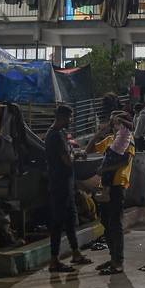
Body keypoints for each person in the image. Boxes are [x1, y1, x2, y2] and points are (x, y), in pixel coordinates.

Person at [44, 105, 93, 273]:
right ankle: (54, 260)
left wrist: (75, 153)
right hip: (59, 185)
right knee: (58, 222)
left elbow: (69, 153)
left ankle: (76, 253)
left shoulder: (61, 134)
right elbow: (67, 160)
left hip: (66, 183)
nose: (71, 121)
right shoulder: (54, 136)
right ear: (62, 117)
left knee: (71, 219)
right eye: (69, 118)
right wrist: (75, 156)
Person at [91, 111, 134, 275]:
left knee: (115, 225)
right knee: (106, 223)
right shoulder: (111, 140)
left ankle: (118, 262)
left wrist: (104, 169)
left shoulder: (128, 139)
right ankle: (113, 257)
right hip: (107, 187)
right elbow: (90, 149)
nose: (112, 126)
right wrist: (98, 134)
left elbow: (124, 161)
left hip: (118, 187)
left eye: (114, 123)